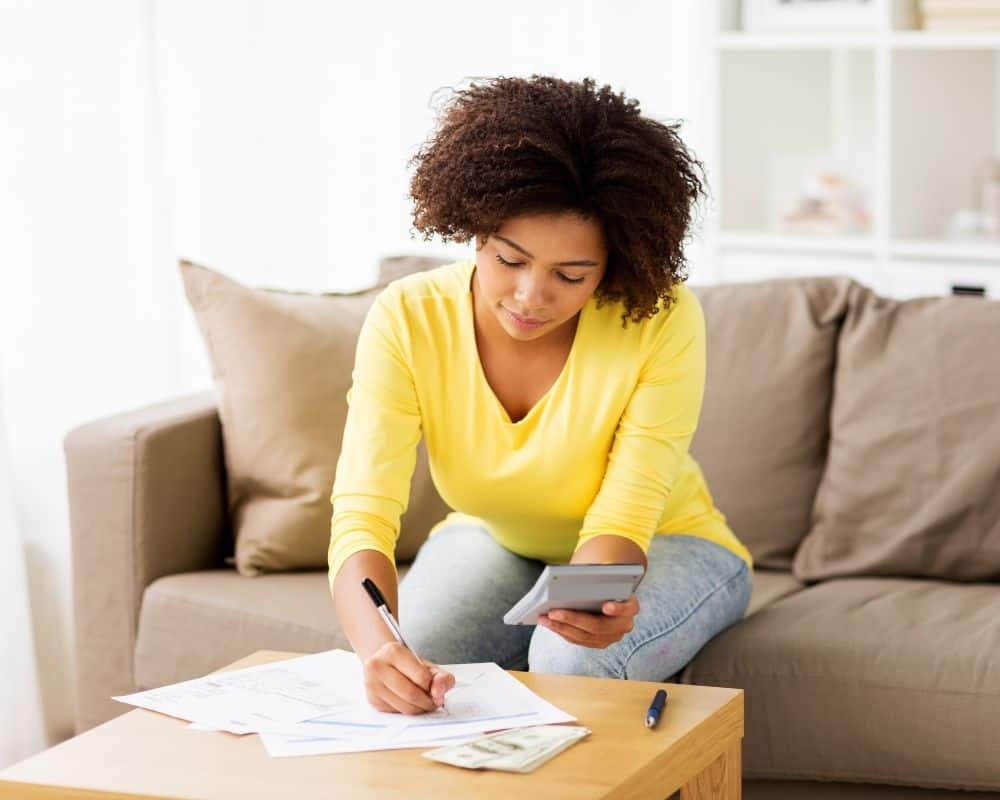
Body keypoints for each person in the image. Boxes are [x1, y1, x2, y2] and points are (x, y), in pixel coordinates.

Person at [328, 75, 753, 716]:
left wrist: (596, 601)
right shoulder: (407, 317)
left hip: (673, 540)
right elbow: (365, 509)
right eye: (509, 260)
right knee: (415, 658)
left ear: (613, 266)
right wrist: (377, 649)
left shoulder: (660, 319)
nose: (530, 296)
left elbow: (624, 515)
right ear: (474, 229)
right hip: (497, 538)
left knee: (572, 659)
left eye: (570, 275)